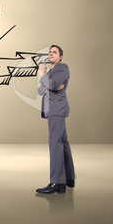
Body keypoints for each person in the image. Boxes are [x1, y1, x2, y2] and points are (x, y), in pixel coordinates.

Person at [36, 45, 75, 194]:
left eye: (54, 52)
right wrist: (48, 84)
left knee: (55, 144)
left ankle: (57, 182)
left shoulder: (62, 68)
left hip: (56, 109)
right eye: (50, 52)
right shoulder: (51, 71)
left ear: (60, 57)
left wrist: (42, 74)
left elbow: (51, 84)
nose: (51, 54)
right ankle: (68, 179)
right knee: (63, 143)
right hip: (53, 109)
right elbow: (41, 90)